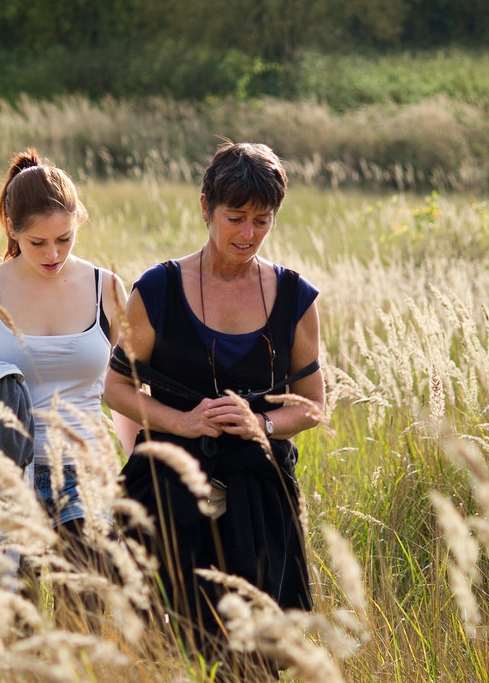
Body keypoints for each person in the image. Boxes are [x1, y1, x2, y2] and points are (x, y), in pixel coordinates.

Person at [104, 141, 324, 676]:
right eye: (235, 218)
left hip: (257, 494)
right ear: (205, 208)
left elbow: (314, 407)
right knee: (164, 638)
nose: (248, 235)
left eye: (262, 220)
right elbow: (114, 387)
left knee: (254, 653)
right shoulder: (157, 290)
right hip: (166, 490)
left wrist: (263, 424)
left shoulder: (296, 298)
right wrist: (181, 421)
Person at [0, 147, 134, 628]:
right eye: (37, 242)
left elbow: (126, 391)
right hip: (8, 480)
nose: (53, 255)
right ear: (11, 227)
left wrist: (139, 467)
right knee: (14, 629)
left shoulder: (107, 287)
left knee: (83, 626)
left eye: (64, 239)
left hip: (85, 477)